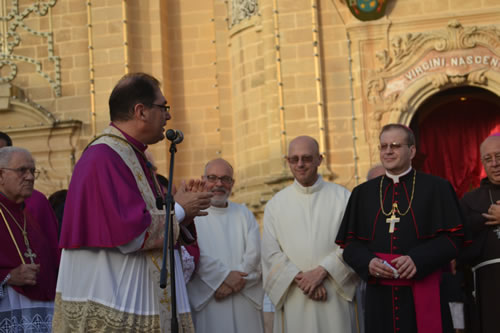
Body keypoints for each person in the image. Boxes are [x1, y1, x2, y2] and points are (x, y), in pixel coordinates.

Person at [52, 73, 213, 332]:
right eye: (163, 107)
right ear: (141, 111)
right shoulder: (103, 158)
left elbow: (143, 217)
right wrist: (180, 210)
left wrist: (185, 210)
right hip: (115, 301)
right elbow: (130, 231)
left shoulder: (130, 154)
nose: (168, 116)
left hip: (136, 295)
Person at [336, 123, 464, 333]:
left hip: (424, 289)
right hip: (380, 298)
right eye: (383, 146)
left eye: (395, 145)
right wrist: (368, 263)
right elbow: (349, 245)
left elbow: (454, 239)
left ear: (411, 151)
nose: (387, 151)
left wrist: (418, 259)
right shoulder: (362, 193)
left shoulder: (437, 188)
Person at [261, 136, 359, 333]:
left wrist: (322, 272)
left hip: (334, 291)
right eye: (294, 159)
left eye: (306, 158)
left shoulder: (343, 198)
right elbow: (271, 253)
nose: (300, 164)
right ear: (288, 161)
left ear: (319, 160)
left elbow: (352, 243)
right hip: (295, 294)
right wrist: (304, 280)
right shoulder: (276, 205)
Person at [187, 158, 264, 333]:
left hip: (243, 298)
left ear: (232, 183)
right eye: (212, 178)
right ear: (203, 179)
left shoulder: (244, 213)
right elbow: (193, 252)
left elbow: (254, 254)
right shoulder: (193, 215)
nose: (218, 184)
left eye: (225, 179)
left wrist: (234, 281)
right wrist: (223, 278)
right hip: (210, 298)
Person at [0, 147, 60, 332]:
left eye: (33, 171)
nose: (30, 177)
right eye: (22, 170)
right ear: (0, 175)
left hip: (40, 311)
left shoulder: (28, 215)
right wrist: (7, 277)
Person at [460, 133, 500, 333]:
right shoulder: (470, 201)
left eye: (499, 157)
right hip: (488, 289)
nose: (494, 164)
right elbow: (460, 249)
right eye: (488, 159)